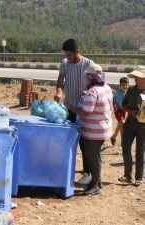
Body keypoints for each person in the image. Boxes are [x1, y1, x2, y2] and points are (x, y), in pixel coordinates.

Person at [65, 63, 113, 195]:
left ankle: (94, 185)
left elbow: (86, 112)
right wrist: (86, 95)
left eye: (87, 76)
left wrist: (70, 106)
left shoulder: (93, 91)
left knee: (92, 158)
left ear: (91, 77)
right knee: (95, 156)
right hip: (103, 129)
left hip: (93, 131)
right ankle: (98, 182)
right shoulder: (106, 88)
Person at [54, 38, 94, 185]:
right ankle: (65, 168)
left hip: (84, 109)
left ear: (77, 52)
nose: (67, 57)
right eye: (66, 54)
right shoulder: (65, 64)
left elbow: (96, 84)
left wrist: (87, 93)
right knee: (68, 139)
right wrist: (59, 91)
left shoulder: (88, 64)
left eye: (69, 55)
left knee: (85, 142)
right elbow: (60, 81)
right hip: (69, 107)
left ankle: (87, 172)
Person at [118, 66, 145, 186]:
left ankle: (139, 177)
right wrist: (131, 111)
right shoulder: (131, 90)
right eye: (134, 76)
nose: (134, 79)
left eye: (137, 77)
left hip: (143, 127)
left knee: (140, 151)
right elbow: (123, 105)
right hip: (130, 124)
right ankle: (127, 175)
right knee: (125, 147)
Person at [110, 77, 129, 146]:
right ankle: (123, 141)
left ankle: (113, 137)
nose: (125, 86)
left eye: (126, 85)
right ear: (120, 85)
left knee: (120, 124)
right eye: (123, 85)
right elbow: (113, 101)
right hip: (117, 110)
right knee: (122, 123)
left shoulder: (128, 93)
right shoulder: (117, 93)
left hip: (123, 110)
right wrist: (114, 108)